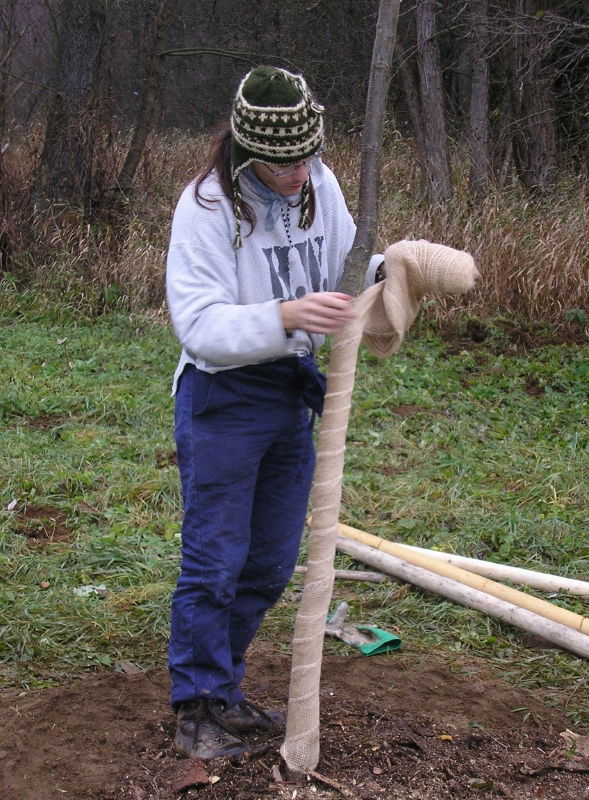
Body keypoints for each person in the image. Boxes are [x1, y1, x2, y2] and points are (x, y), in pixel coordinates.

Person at [166, 65, 382, 761]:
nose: (299, 174)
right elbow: (198, 326)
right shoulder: (206, 209)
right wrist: (283, 315)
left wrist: (393, 268)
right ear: (246, 149)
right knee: (216, 560)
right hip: (223, 395)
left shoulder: (319, 183)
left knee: (267, 562)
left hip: (291, 389)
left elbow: (347, 261)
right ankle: (195, 709)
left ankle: (223, 692)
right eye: (282, 162)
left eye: (308, 157)